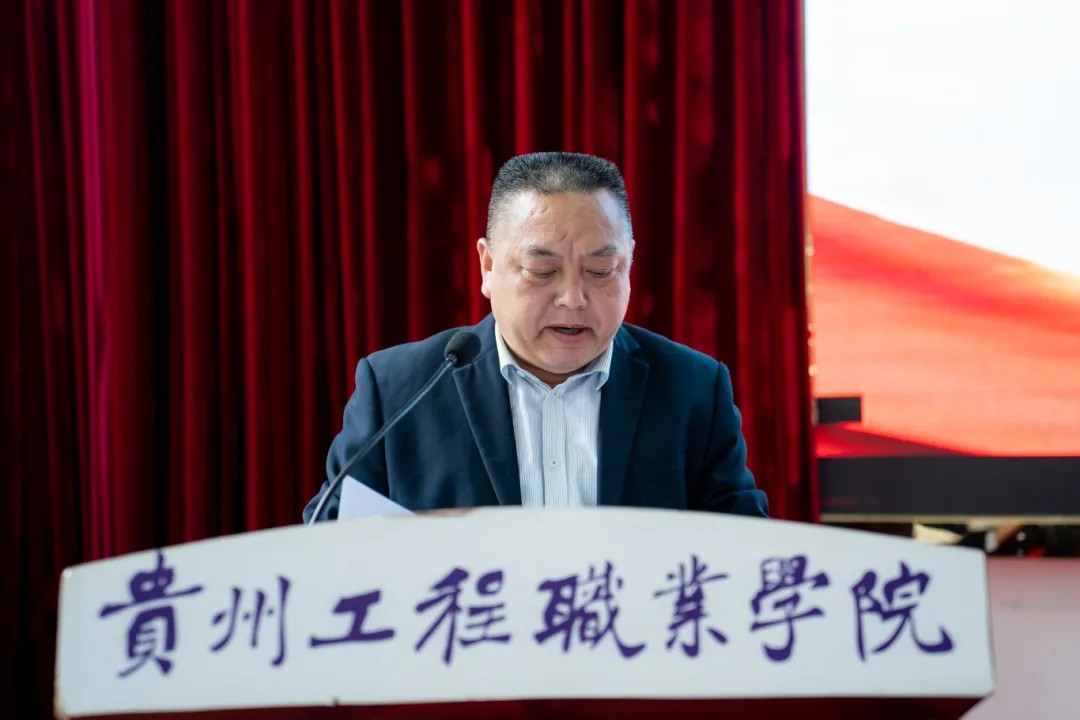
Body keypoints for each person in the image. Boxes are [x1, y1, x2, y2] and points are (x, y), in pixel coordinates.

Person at [303, 152, 767, 521]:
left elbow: (746, 553)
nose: (573, 298)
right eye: (542, 271)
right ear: (487, 266)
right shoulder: (398, 391)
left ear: (629, 263)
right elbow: (328, 545)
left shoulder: (692, 390)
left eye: (601, 270)